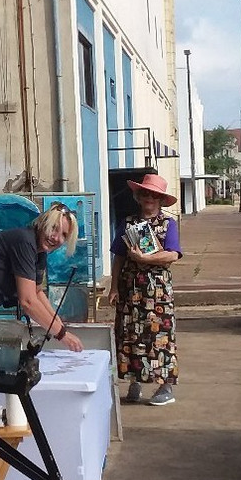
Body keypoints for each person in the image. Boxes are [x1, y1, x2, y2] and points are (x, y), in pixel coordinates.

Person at [108, 173, 182, 406]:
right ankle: (135, 381)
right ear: (138, 197)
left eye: (154, 195)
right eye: (145, 194)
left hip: (157, 292)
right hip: (131, 290)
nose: (149, 198)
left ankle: (165, 385)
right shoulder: (128, 223)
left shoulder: (168, 224)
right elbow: (119, 257)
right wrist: (114, 287)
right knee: (130, 335)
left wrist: (146, 258)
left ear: (161, 200)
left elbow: (173, 255)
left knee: (160, 337)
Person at [0, 203, 84, 352]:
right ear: (43, 223)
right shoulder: (24, 241)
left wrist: (58, 323)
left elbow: (37, 291)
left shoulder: (39, 253)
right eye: (53, 228)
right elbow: (28, 301)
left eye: (64, 235)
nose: (56, 237)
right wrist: (62, 334)